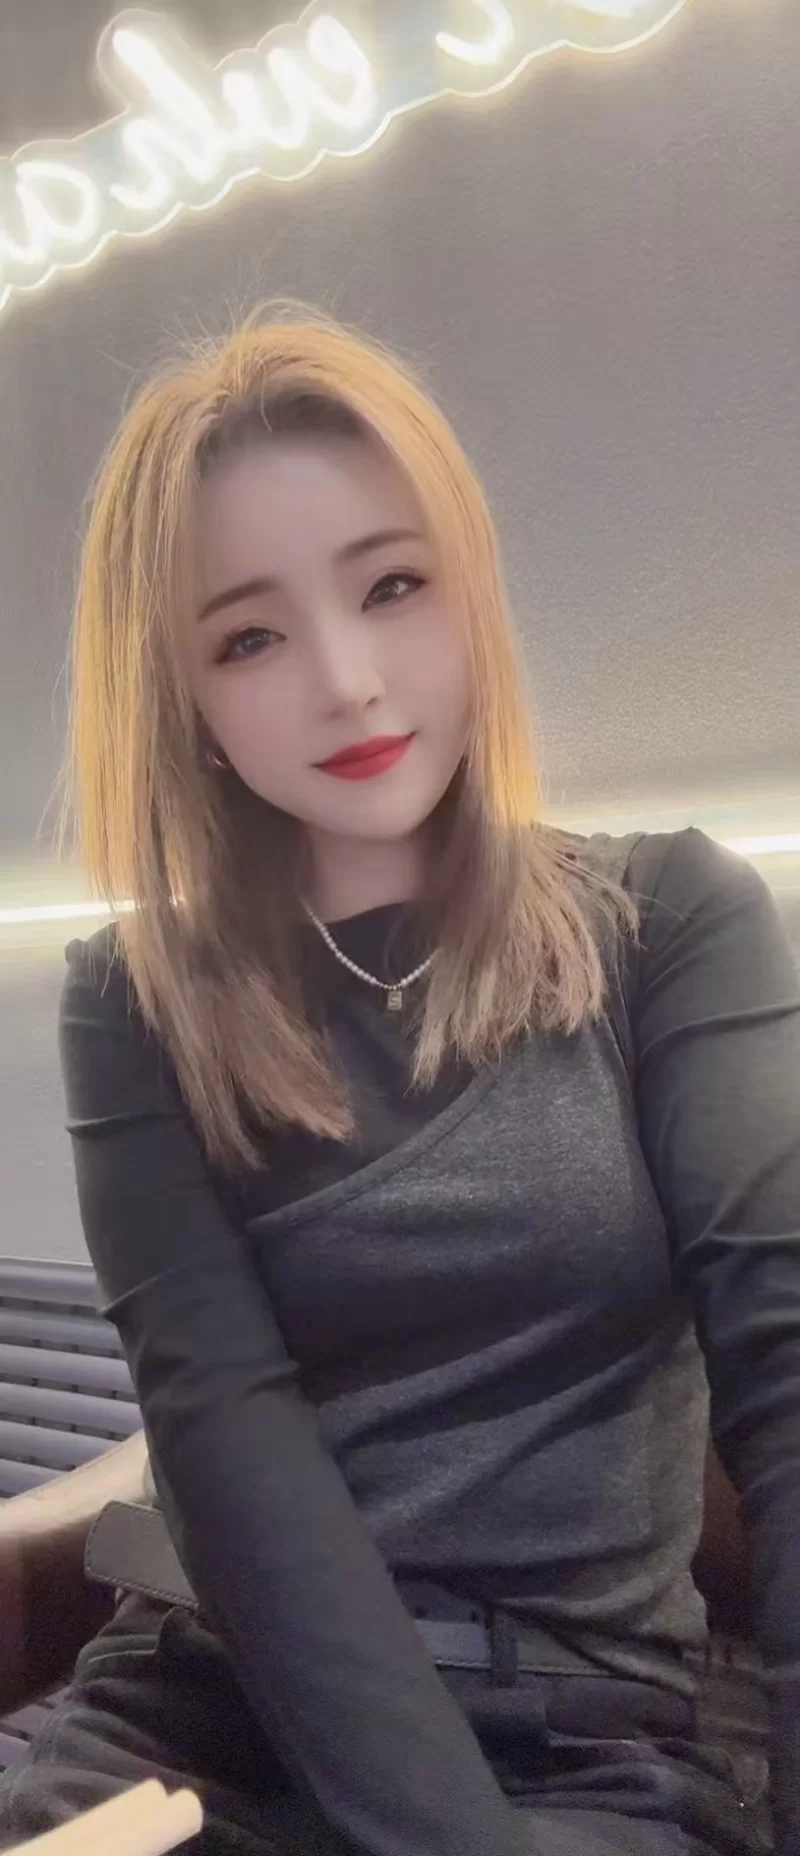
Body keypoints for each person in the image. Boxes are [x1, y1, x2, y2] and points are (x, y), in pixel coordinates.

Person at [0, 305, 796, 1856]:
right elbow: (231, 1441)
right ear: (183, 697)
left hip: (588, 1748)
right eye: (251, 637)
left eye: (391, 586)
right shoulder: (135, 1001)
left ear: (467, 590)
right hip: (207, 1716)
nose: (351, 681)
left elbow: (785, 1377)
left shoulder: (673, 924)